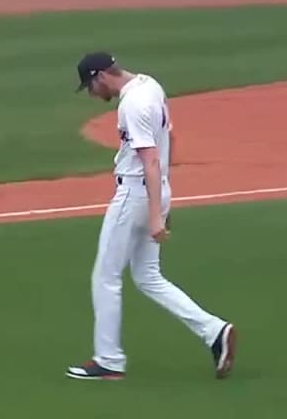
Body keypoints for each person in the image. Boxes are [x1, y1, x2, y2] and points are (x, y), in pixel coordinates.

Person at [66, 51, 237, 381]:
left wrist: (156, 215)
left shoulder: (132, 104)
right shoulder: (150, 85)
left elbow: (151, 160)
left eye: (90, 85)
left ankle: (109, 360)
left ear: (100, 76)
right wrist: (163, 202)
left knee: (106, 276)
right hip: (154, 192)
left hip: (135, 194)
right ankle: (215, 331)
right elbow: (168, 140)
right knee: (148, 276)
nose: (91, 93)